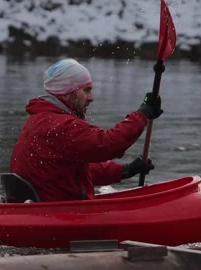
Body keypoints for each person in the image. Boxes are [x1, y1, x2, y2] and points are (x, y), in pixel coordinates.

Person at [9, 58, 163, 202]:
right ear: (68, 92)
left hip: (49, 207)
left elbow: (76, 172)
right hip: (65, 217)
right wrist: (142, 114)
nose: (91, 98)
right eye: (86, 90)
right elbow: (107, 144)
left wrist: (125, 170)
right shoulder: (60, 125)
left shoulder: (39, 119)